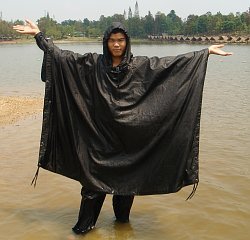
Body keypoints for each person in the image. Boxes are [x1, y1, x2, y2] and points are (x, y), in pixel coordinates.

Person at [13, 19, 232, 235]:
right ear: (106, 42)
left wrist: (205, 53)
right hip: (98, 143)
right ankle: (82, 230)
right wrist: (38, 35)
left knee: (127, 189)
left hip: (130, 145)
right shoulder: (92, 64)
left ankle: (122, 228)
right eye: (112, 40)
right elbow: (62, 57)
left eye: (121, 40)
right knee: (92, 189)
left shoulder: (141, 67)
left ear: (126, 42)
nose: (116, 44)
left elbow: (171, 65)